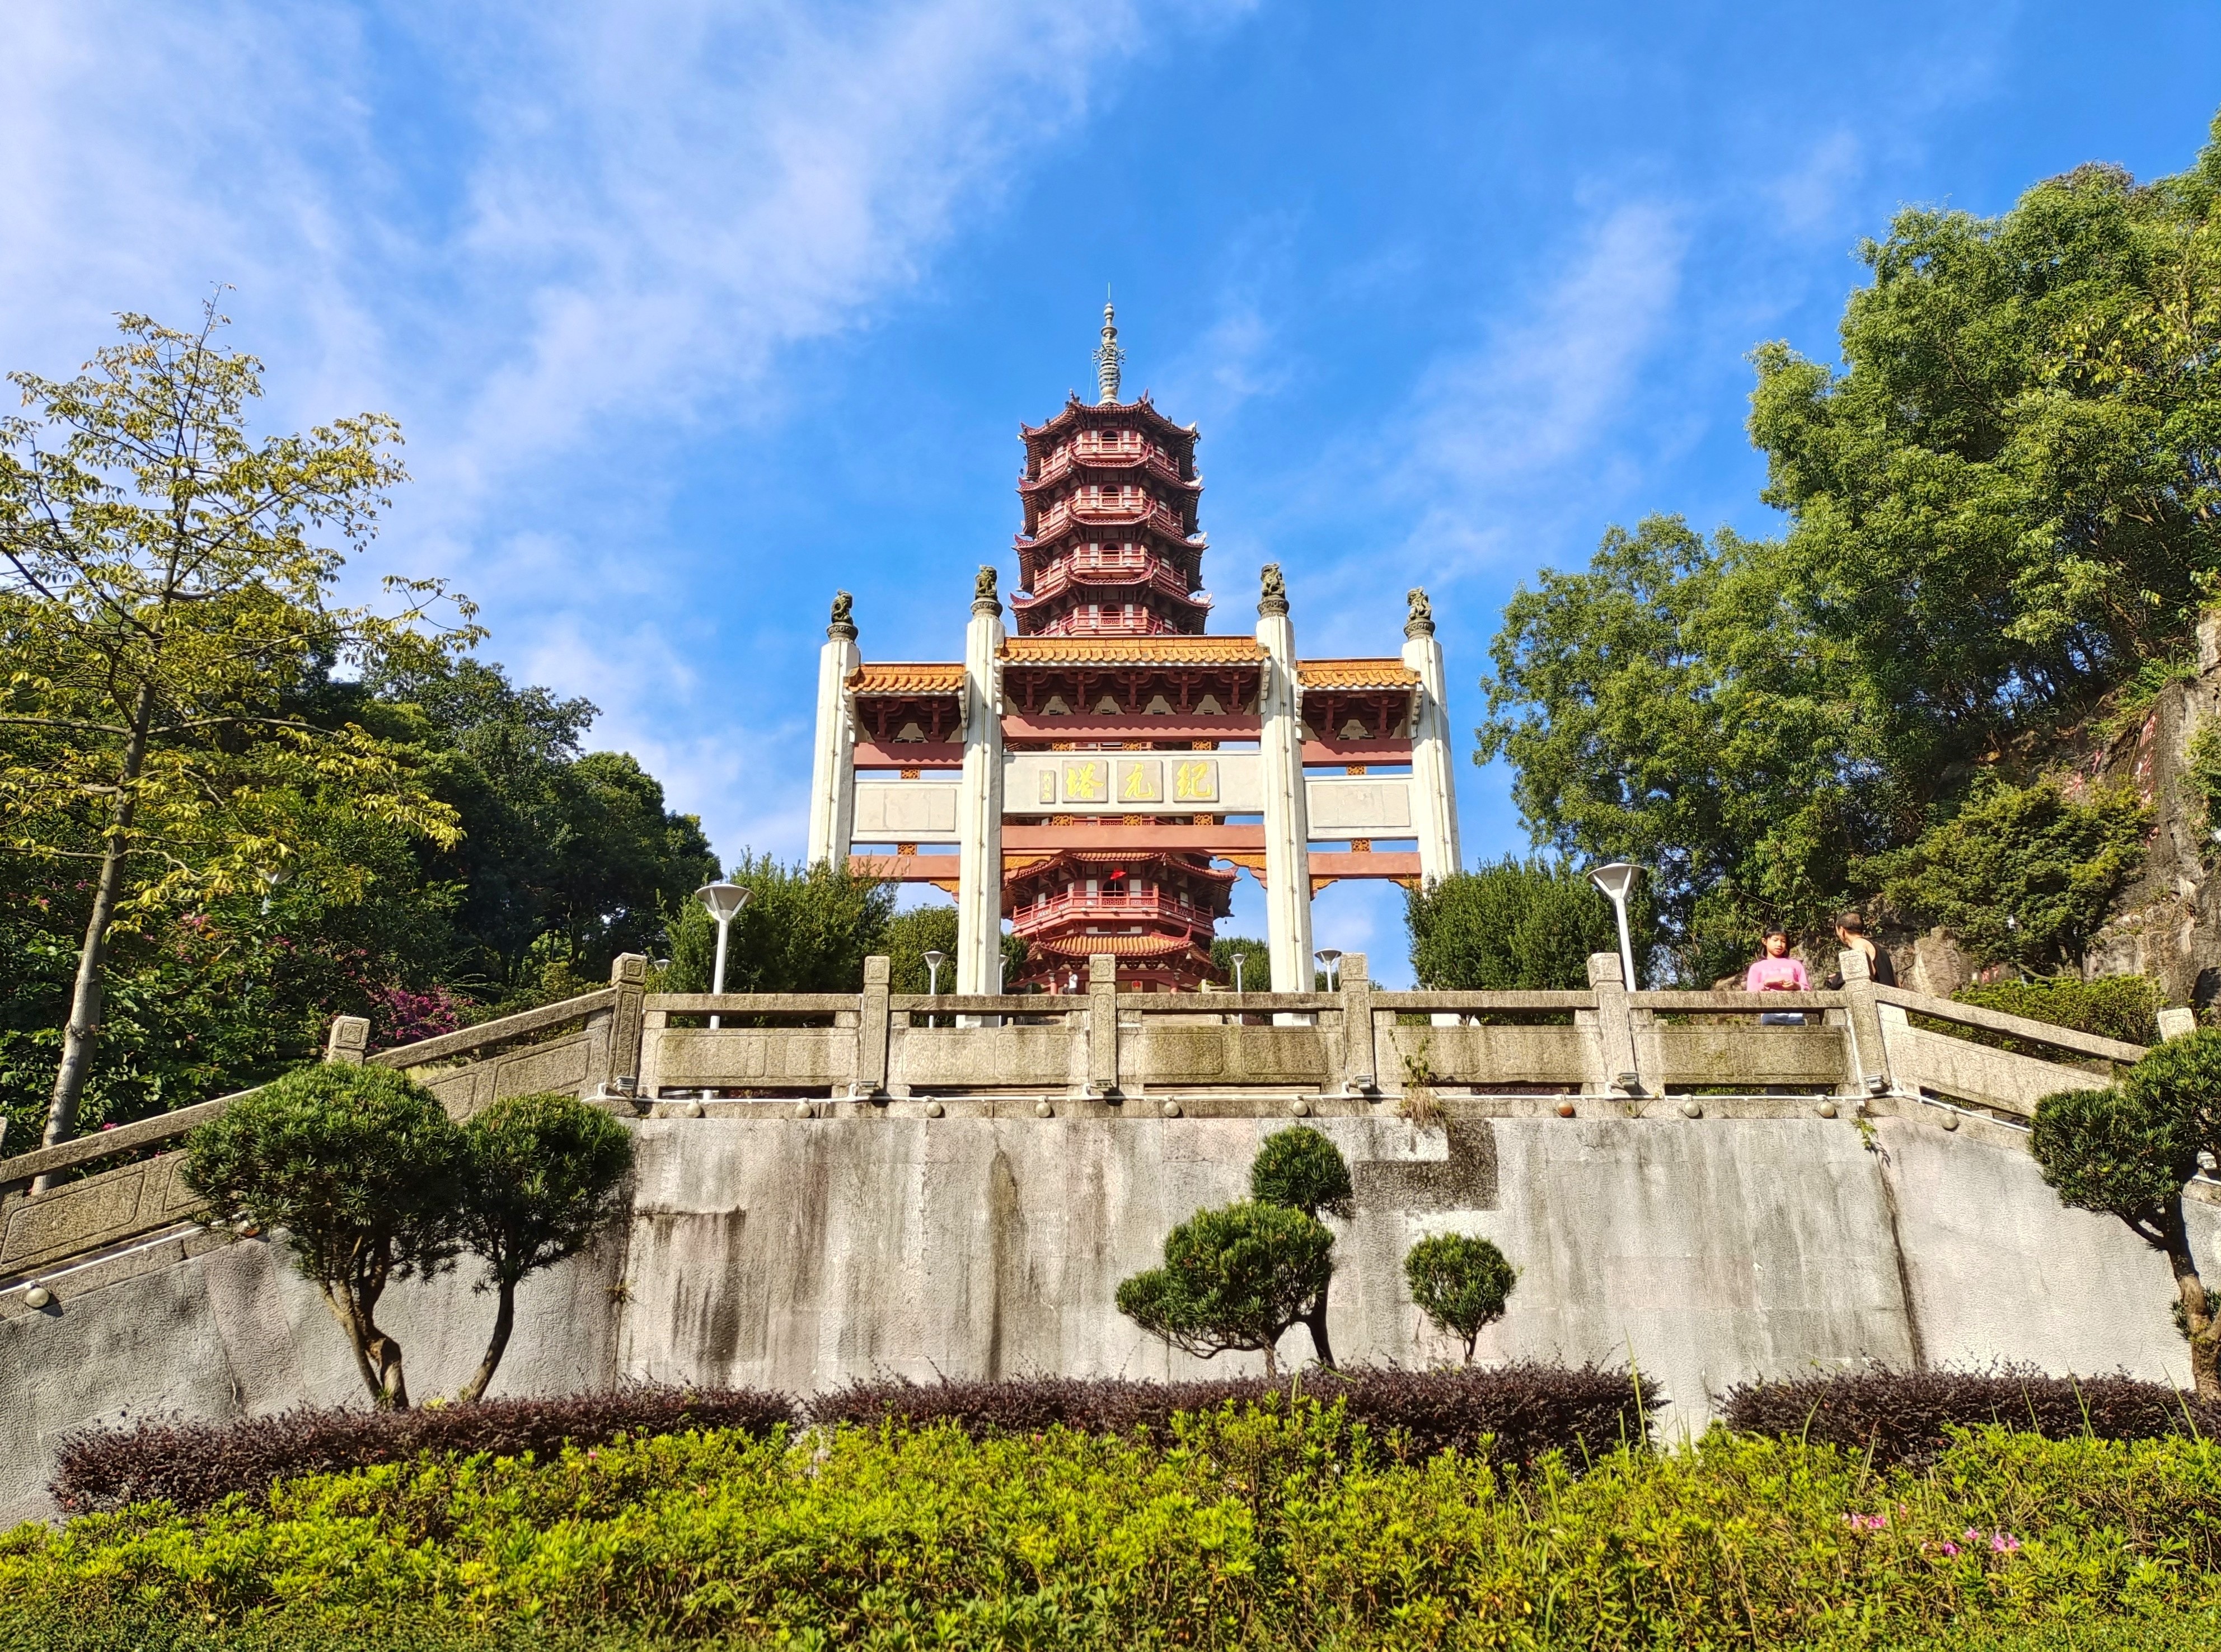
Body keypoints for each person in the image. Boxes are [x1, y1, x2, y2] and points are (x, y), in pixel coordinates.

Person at [1745, 926, 1810, 1025]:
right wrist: (1766, 983)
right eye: (1775, 940)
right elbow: (1749, 995)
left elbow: (1808, 991)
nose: (1779, 944)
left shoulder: (1796, 965)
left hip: (1795, 1014)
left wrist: (1796, 986)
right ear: (1765, 941)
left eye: (1783, 941)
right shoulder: (1756, 967)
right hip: (1769, 1013)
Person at [1824, 912, 1896, 989]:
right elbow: (1897, 983)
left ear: (1842, 930)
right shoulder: (1879, 948)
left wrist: (1840, 979)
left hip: (1879, 995)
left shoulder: (1858, 943)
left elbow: (1869, 972)